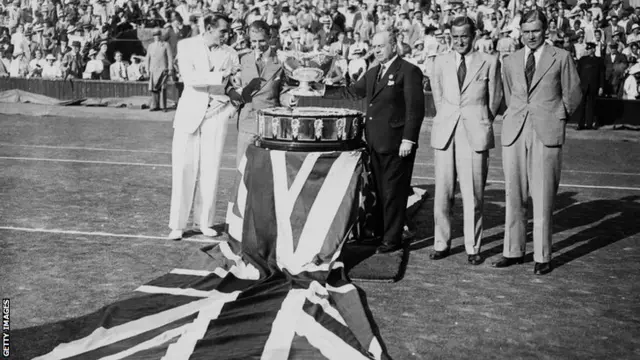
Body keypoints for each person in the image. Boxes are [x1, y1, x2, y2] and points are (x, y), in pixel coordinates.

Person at [319, 30, 425, 254]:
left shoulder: (409, 70)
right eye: (374, 46)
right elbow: (351, 92)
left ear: (394, 45)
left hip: (397, 144)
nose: (377, 50)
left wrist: (409, 139)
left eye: (381, 46)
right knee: (379, 191)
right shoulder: (373, 72)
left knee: (393, 193)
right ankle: (381, 233)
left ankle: (392, 238)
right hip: (375, 142)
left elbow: (415, 110)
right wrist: (320, 89)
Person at [495, 10, 581, 275]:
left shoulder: (561, 57)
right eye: (526, 31)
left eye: (535, 30)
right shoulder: (510, 60)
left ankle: (542, 255)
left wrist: (557, 115)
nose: (530, 36)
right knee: (514, 194)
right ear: (520, 32)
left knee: (543, 196)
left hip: (546, 131)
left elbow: (573, 94)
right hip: (515, 130)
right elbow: (510, 95)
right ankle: (513, 250)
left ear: (546, 30)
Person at [430, 17, 503, 265]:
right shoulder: (439, 62)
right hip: (445, 132)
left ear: (474, 36)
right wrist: (449, 117)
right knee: (443, 193)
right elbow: (438, 97)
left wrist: (479, 119)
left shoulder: (490, 62)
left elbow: (495, 99)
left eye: (464, 36)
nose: (459, 41)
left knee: (473, 194)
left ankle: (473, 247)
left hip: (474, 132)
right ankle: (441, 242)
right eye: (455, 36)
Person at [168, 13, 240, 241]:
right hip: (190, 114)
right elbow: (190, 78)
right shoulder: (186, 45)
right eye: (222, 31)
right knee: (183, 169)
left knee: (211, 170)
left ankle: (204, 222)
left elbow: (235, 83)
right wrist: (222, 75)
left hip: (217, 115)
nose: (227, 35)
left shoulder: (231, 53)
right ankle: (178, 225)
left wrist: (230, 103)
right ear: (209, 28)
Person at [227, 20, 296, 168]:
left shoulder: (281, 62)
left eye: (261, 41)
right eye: (254, 41)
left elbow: (282, 92)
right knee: (243, 169)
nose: (257, 46)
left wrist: (289, 100)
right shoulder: (242, 59)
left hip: (270, 123)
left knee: (267, 170)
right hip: (247, 122)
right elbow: (232, 87)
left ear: (270, 37)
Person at [577, 42, 605, 129]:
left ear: (594, 49)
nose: (588, 51)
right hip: (583, 85)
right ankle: (580, 124)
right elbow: (578, 73)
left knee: (591, 105)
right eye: (587, 49)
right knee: (582, 105)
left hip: (593, 85)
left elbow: (601, 74)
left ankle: (589, 124)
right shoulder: (582, 60)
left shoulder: (599, 60)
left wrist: (601, 87)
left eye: (590, 49)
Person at [146, 28, 173, 111]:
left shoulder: (165, 45)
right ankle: (154, 105)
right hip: (153, 69)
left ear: (161, 36)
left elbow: (170, 57)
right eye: (155, 35)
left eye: (158, 35)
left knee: (163, 88)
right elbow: (148, 58)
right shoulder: (150, 46)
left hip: (163, 69)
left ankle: (163, 106)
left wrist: (170, 68)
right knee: (153, 88)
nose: (156, 37)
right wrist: (147, 69)